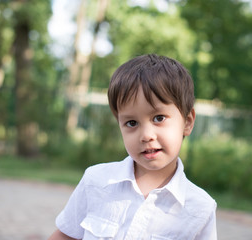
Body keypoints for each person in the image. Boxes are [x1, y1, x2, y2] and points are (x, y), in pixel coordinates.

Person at [48, 54, 217, 240]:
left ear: (187, 122)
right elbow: (65, 235)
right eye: (131, 123)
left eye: (158, 118)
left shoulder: (200, 209)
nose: (146, 135)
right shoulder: (96, 181)